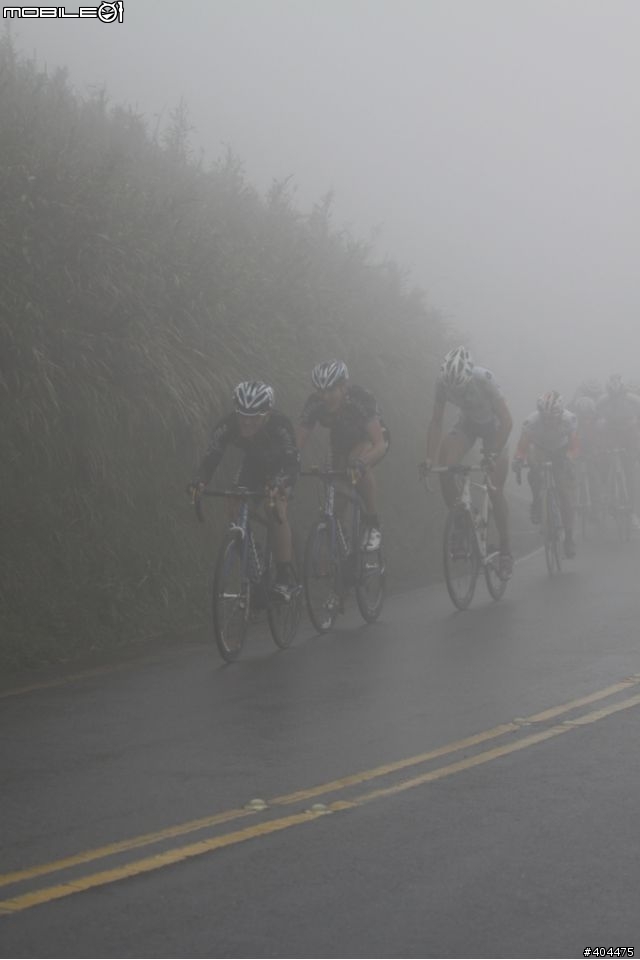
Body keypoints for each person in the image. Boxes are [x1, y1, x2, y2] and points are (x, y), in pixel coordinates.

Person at [190, 381, 300, 601]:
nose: (247, 422)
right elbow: (212, 457)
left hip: (281, 467)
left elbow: (292, 464)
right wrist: (200, 482)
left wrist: (278, 484)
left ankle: (285, 576)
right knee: (234, 506)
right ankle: (253, 559)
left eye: (254, 417)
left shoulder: (280, 425)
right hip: (253, 465)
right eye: (242, 415)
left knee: (276, 510)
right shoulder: (227, 425)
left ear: (267, 414)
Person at [423, 346, 514, 579]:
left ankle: (505, 549)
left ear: (469, 377)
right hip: (469, 425)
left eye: (461, 388)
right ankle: (462, 522)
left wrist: (492, 453)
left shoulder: (483, 379)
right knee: (446, 466)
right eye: (454, 389)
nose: (458, 393)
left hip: (494, 427)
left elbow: (507, 420)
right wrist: (428, 458)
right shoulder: (442, 383)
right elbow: (436, 421)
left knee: (494, 489)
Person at [296, 360, 389, 551]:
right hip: (342, 440)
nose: (325, 397)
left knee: (356, 463)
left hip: (373, 437)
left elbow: (379, 444)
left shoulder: (360, 399)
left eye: (331, 390)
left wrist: (362, 464)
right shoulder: (315, 403)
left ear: (344, 387)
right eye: (321, 391)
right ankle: (341, 545)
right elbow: (297, 444)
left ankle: (372, 523)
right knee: (337, 494)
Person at [512, 391, 578, 558]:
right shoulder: (532, 421)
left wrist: (569, 460)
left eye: (552, 417)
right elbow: (523, 446)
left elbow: (574, 446)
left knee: (565, 494)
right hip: (540, 448)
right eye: (545, 417)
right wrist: (519, 459)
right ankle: (536, 502)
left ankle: (569, 538)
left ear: (560, 413)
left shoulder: (569, 419)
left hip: (561, 450)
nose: (548, 420)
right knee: (534, 469)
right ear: (540, 414)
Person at [594, 374, 640, 530]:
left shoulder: (633, 400)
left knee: (630, 476)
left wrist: (635, 449)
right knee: (602, 464)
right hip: (610, 439)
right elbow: (595, 421)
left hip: (628, 440)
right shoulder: (601, 401)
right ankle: (605, 493)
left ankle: (633, 513)